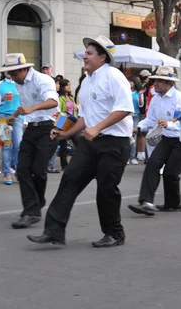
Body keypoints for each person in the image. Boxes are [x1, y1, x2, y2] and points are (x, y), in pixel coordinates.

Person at [27, 35, 133, 247]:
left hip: (114, 143)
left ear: (103, 57)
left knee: (106, 189)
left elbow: (124, 108)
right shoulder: (86, 82)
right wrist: (66, 133)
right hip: (89, 142)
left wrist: (97, 128)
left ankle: (114, 233)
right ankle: (54, 231)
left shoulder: (114, 76)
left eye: (90, 53)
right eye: (85, 52)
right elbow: (85, 118)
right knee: (69, 180)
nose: (84, 56)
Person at [0, 53, 59, 229]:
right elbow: (24, 106)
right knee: (22, 168)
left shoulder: (43, 80)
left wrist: (33, 108)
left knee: (38, 170)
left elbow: (53, 102)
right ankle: (31, 211)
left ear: (24, 69)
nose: (11, 77)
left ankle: (36, 204)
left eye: (14, 73)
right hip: (31, 128)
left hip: (49, 127)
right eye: (9, 73)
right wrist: (14, 116)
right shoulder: (19, 83)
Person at [127, 67, 181, 216]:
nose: (155, 83)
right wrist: (138, 128)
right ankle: (146, 202)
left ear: (168, 83)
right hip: (168, 138)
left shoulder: (179, 98)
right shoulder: (156, 98)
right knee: (152, 163)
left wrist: (169, 124)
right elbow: (150, 119)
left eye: (159, 80)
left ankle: (174, 204)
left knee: (170, 173)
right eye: (155, 80)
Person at [0, 73, 23, 184]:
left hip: (18, 116)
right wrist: (2, 99)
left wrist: (26, 120)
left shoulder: (20, 84)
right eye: (8, 71)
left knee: (18, 145)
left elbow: (24, 102)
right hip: (3, 116)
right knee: (7, 145)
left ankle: (19, 171)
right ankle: (7, 173)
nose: (10, 73)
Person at [58, 78, 80, 170]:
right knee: (63, 144)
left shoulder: (71, 97)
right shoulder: (60, 98)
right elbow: (59, 111)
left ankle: (76, 162)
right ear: (63, 87)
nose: (70, 87)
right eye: (68, 85)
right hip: (62, 121)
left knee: (78, 142)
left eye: (70, 85)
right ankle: (64, 165)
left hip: (72, 121)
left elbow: (74, 108)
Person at [127, 76, 144, 165]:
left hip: (136, 115)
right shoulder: (125, 92)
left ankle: (133, 157)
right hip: (127, 115)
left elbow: (141, 105)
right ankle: (127, 157)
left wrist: (141, 95)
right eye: (129, 81)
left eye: (132, 81)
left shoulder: (138, 93)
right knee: (127, 136)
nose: (130, 83)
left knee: (134, 137)